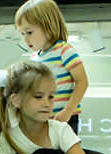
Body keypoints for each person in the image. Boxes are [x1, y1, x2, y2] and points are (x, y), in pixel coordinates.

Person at [0, 60, 89, 154]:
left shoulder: (60, 130)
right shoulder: (8, 139)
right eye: (38, 96)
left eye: (51, 96)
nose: (46, 103)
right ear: (17, 100)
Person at [16, 0, 88, 135]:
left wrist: (68, 110)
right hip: (41, 118)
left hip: (65, 117)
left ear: (47, 27)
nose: (25, 39)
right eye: (22, 33)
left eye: (29, 32)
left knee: (66, 148)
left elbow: (82, 82)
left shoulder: (64, 50)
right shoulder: (34, 58)